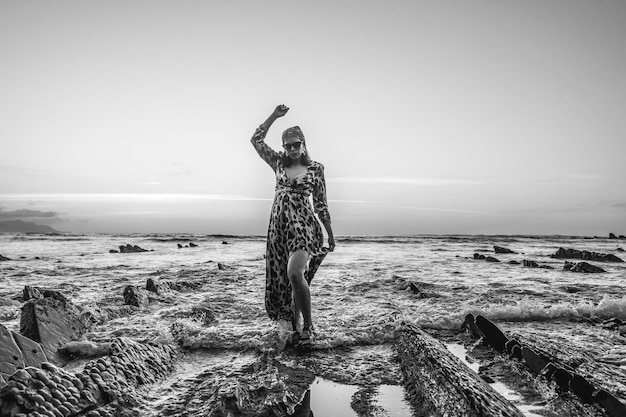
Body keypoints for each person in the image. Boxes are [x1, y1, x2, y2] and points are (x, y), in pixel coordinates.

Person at [251, 104, 335, 345]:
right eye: (288, 146)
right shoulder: (277, 162)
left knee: (295, 273)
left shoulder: (316, 169)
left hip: (304, 226)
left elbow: (321, 203)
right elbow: (256, 140)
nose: (293, 149)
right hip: (278, 228)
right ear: (284, 147)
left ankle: (309, 327)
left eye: (297, 144)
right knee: (286, 280)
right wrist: (274, 117)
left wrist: (329, 234)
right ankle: (296, 327)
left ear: (303, 143)